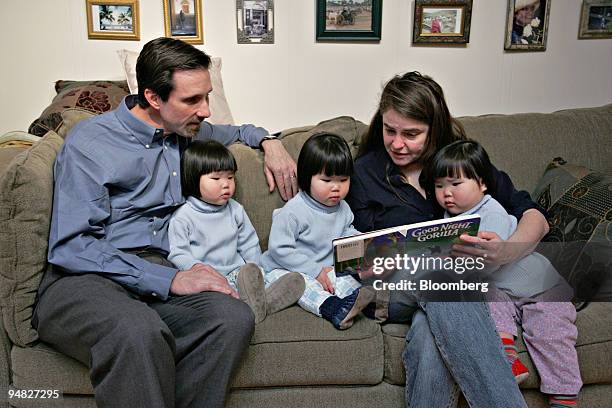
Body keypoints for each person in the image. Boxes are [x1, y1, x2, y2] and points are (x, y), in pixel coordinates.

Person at [33, 37, 293, 408]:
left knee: (232, 318)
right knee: (138, 331)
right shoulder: (91, 143)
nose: (205, 110)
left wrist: (271, 142)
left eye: (206, 96)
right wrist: (170, 278)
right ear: (153, 98)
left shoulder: (187, 131)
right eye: (192, 100)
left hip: (154, 276)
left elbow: (237, 132)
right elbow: (73, 247)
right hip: (84, 278)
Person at [346, 71, 551, 407]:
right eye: (390, 130)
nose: (397, 143)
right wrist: (369, 261)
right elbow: (357, 247)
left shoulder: (459, 162)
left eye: (411, 134)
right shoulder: (365, 173)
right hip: (395, 289)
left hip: (458, 291)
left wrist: (504, 252)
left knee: (430, 334)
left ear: (435, 129)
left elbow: (536, 219)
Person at [425, 139, 582, 407]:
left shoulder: (491, 211)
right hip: (501, 288)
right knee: (486, 302)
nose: (446, 193)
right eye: (439, 186)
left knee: (551, 331)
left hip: (539, 287)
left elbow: (488, 263)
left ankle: (564, 395)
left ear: (482, 184)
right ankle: (506, 357)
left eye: (455, 184)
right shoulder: (447, 218)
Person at [168, 140, 305, 324]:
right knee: (224, 295)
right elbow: (178, 253)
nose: (226, 185)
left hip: (240, 273)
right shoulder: (183, 217)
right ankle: (256, 306)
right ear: (193, 178)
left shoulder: (235, 210)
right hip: (212, 279)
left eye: (230, 178)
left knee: (269, 276)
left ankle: (261, 302)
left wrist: (256, 269)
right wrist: (197, 269)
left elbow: (249, 243)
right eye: (216, 179)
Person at [261, 133, 375, 330]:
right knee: (303, 284)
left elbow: (347, 233)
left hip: (325, 269)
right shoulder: (293, 211)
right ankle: (332, 309)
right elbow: (280, 250)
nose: (336, 188)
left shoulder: (343, 209)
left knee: (347, 281)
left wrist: (364, 245)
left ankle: (367, 305)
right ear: (307, 177)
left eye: (343, 179)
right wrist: (314, 271)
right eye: (327, 180)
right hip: (285, 270)